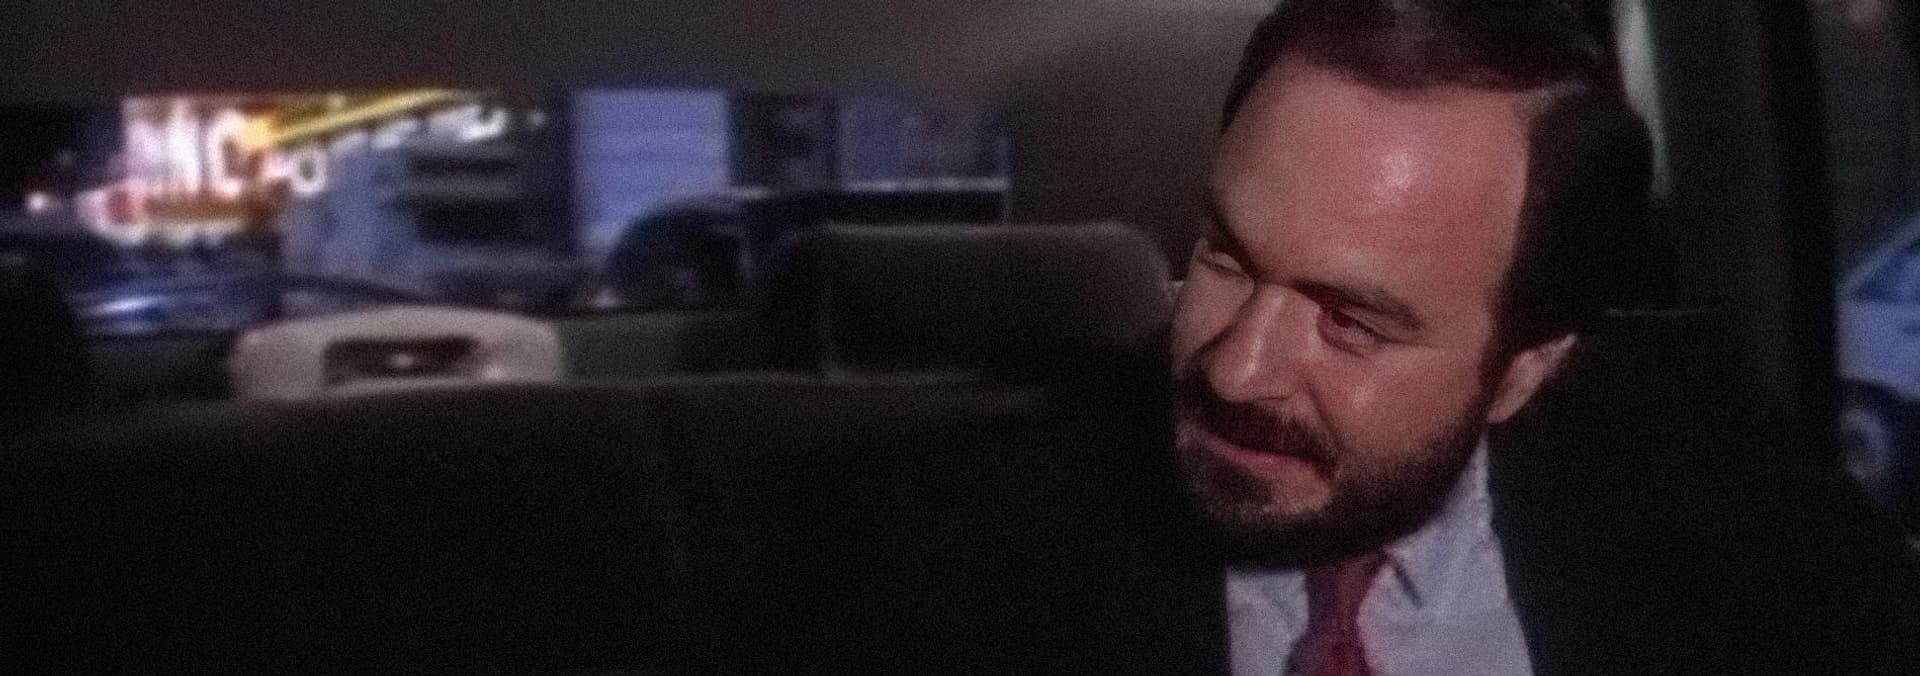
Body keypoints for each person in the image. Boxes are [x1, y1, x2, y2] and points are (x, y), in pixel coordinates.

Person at [1171, 1, 1920, 674]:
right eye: (1227, 260)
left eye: (1351, 323)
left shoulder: (1716, 482)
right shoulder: (1091, 503)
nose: (1237, 370)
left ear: (1524, 369)